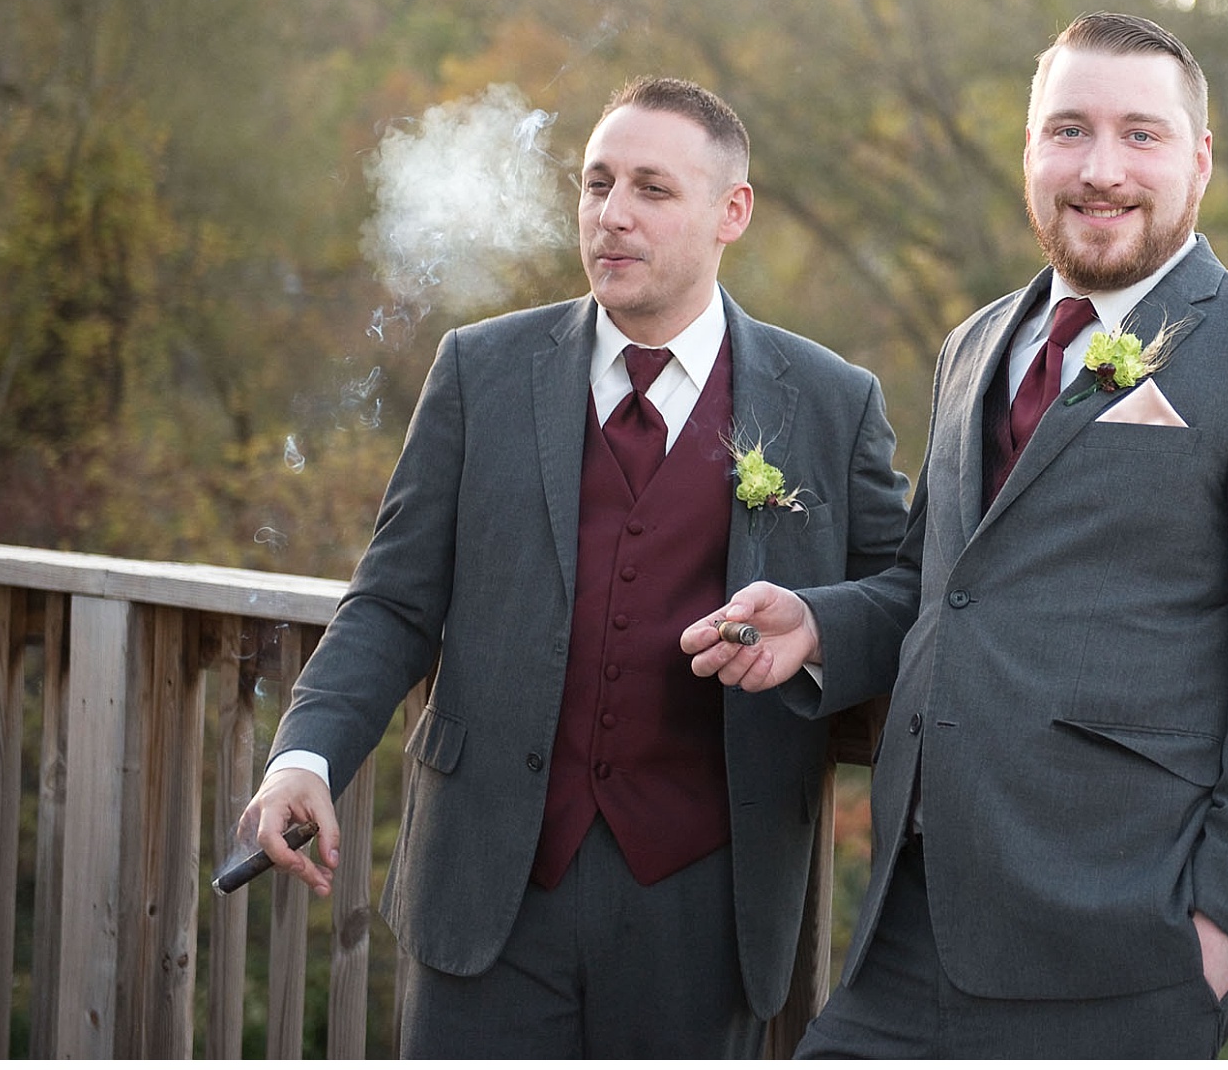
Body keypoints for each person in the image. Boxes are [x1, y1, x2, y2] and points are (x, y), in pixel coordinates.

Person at [683, 11, 1228, 1058]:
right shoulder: (973, 343)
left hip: (1120, 947)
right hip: (911, 925)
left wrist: (1221, 929)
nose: (1100, 169)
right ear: (1028, 153)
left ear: (1197, 161)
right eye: (1067, 131)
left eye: (1139, 135)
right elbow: (942, 584)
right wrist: (819, 627)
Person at [240, 77, 910, 1058]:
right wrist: (306, 755)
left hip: (703, 909)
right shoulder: (481, 371)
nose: (612, 215)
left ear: (733, 212)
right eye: (596, 185)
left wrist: (817, 626)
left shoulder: (829, 400)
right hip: (486, 893)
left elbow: (903, 596)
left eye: (651, 189)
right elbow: (390, 600)